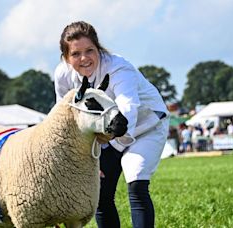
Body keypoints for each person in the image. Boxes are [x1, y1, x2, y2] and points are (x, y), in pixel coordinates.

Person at [54, 21, 169, 228]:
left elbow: (128, 109)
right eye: (75, 54)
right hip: (106, 135)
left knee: (135, 182)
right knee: (100, 194)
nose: (84, 58)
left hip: (146, 127)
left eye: (90, 50)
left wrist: (110, 153)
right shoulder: (62, 75)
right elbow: (66, 117)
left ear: (98, 48)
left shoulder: (119, 67)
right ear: (66, 58)